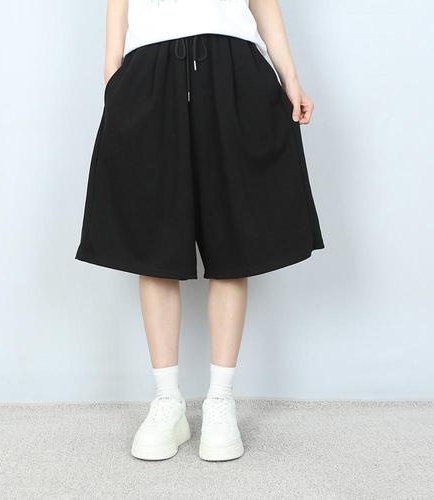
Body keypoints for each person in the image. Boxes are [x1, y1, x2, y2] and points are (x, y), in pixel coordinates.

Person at [76, 0, 324, 462]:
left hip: (235, 71)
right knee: (153, 247)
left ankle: (220, 401)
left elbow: (262, 2)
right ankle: (167, 401)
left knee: (233, 243)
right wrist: (115, 81)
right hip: (149, 73)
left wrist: (290, 78)